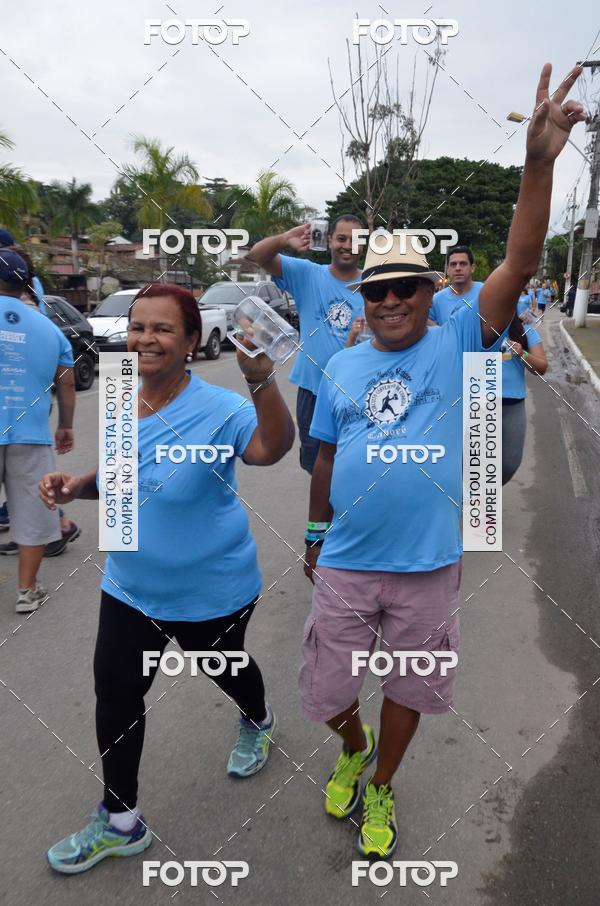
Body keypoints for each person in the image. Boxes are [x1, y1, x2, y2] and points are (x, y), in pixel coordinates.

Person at [300, 64, 584, 859]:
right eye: (376, 291)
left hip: (427, 566)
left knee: (411, 686)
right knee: (327, 691)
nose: (388, 301)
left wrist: (537, 163)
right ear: (364, 298)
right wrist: (316, 532)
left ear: (432, 291)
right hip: (347, 562)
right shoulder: (346, 365)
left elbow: (520, 265)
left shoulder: (460, 340)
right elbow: (323, 453)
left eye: (405, 289)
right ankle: (349, 748)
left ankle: (382, 784)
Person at [40, 283, 294, 874]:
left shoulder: (219, 408)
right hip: (129, 585)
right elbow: (125, 474)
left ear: (188, 341)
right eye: (137, 327)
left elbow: (270, 450)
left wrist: (259, 381)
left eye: (161, 330)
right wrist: (78, 485)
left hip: (211, 588)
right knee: (118, 695)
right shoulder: (122, 390)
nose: (144, 339)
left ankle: (258, 717)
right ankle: (121, 820)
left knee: (224, 665)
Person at [247, 215, 364, 474]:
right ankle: (324, 515)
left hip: (358, 392)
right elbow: (257, 256)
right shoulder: (308, 274)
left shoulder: (372, 284)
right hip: (313, 390)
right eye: (341, 238)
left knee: (358, 463)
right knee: (316, 465)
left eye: (355, 240)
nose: (347, 245)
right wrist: (284, 239)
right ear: (330, 240)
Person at [0, 249, 75, 612]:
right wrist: (65, 426)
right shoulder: (50, 330)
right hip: (29, 432)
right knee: (33, 512)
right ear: (27, 282)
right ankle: (27, 591)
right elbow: (67, 385)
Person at [501, 316, 548, 484]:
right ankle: (476, 498)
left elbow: (541, 367)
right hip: (478, 403)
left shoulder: (524, 330)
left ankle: (483, 490)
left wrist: (522, 353)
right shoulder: (476, 327)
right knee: (474, 462)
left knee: (509, 463)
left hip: (512, 405)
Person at [429, 246, 484, 324]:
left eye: (463, 264)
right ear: (447, 269)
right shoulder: (436, 300)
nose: (458, 268)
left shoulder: (485, 292)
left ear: (472, 268)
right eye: (453, 264)